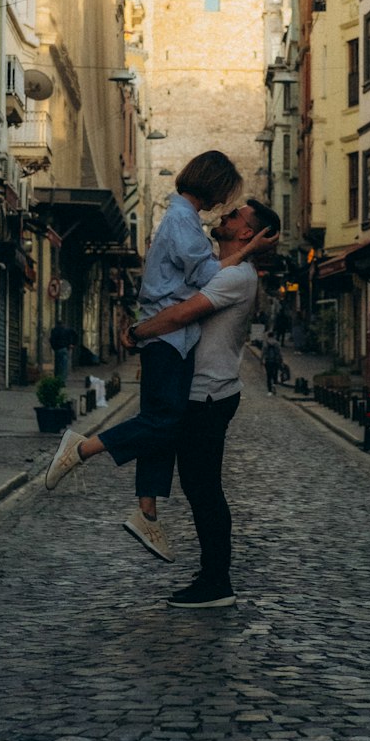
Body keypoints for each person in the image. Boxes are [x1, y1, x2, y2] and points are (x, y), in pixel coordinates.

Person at [45, 151, 274, 562]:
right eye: (228, 196)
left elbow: (207, 273)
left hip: (169, 340)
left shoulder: (184, 222)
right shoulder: (184, 222)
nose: (226, 205)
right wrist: (249, 248)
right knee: (162, 423)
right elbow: (206, 277)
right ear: (215, 184)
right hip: (168, 338)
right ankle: (80, 450)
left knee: (161, 425)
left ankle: (147, 511)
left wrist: (246, 250)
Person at [119, 197, 281, 608]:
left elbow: (180, 315)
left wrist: (137, 333)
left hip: (208, 396)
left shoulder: (237, 277)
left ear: (247, 232)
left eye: (233, 216)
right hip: (200, 392)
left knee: (204, 489)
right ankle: (208, 570)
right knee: (198, 487)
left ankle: (216, 583)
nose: (222, 216)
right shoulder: (222, 268)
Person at [49, 319, 76, 384]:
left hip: (57, 349)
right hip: (64, 349)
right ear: (63, 324)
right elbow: (75, 335)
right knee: (64, 366)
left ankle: (57, 379)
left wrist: (54, 347)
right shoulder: (67, 330)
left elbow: (52, 340)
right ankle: (62, 381)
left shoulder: (54, 330)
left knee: (57, 366)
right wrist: (72, 344)